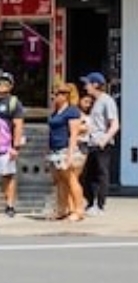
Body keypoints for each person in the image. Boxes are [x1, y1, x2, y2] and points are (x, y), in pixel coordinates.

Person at [79, 72, 119, 214]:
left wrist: (105, 139)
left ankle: (100, 204)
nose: (85, 86)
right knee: (88, 175)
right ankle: (90, 203)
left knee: (102, 174)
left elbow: (115, 124)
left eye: (88, 83)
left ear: (96, 84)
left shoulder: (107, 101)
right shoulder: (93, 101)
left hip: (102, 143)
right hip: (91, 143)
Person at [46, 82, 85, 221]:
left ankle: (79, 210)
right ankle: (62, 209)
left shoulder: (72, 111)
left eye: (58, 94)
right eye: (54, 93)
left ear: (66, 96)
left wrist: (70, 154)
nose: (55, 96)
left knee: (71, 179)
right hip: (55, 149)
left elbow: (74, 134)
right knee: (60, 181)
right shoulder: (56, 111)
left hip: (66, 149)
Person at [0, 71, 24, 219]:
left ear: (11, 86)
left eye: (5, 82)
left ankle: (10, 205)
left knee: (8, 177)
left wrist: (16, 147)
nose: (2, 85)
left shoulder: (13, 102)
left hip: (6, 147)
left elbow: (18, 125)